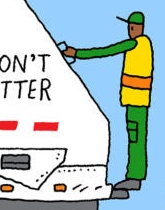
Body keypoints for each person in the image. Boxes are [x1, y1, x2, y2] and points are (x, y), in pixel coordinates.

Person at [63, 11, 152, 193]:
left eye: (132, 27)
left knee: (136, 139)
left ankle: (134, 177)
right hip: (136, 100)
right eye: (129, 27)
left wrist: (76, 53)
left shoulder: (136, 43)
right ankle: (135, 175)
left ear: (139, 28)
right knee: (136, 138)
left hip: (136, 101)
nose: (130, 30)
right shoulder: (144, 44)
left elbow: (106, 51)